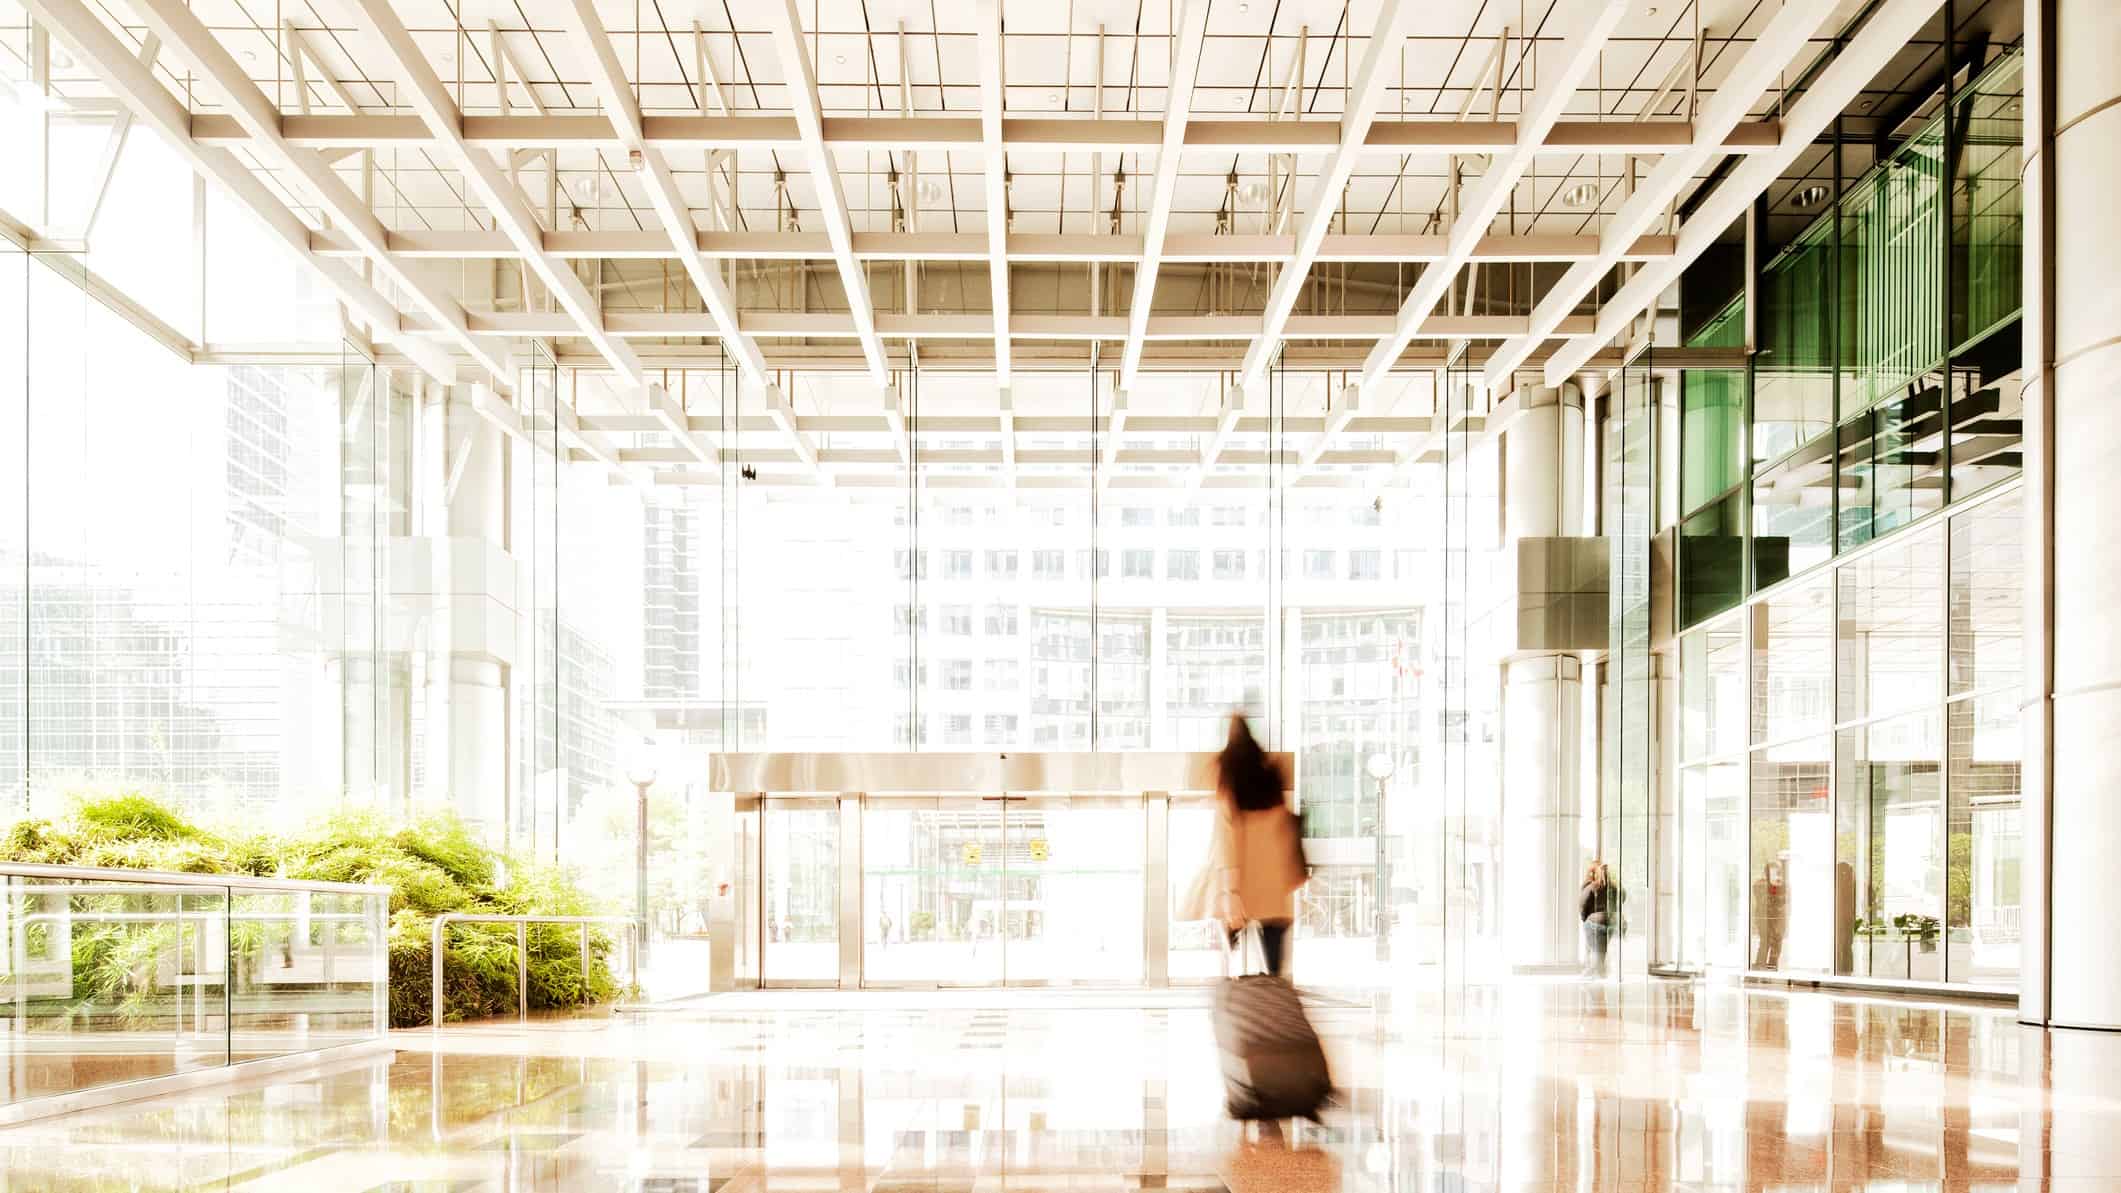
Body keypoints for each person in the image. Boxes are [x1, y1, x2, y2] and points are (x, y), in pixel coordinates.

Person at [1211, 715, 1307, 978]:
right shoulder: (1272, 778)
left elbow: (1227, 842)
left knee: (1228, 960)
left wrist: (1230, 891)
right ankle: (1274, 1004)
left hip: (1244, 886)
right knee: (1275, 967)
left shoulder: (1229, 783)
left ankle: (1234, 1005)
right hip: (1275, 888)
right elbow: (1286, 832)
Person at [1579, 860, 1613, 977]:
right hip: (1609, 921)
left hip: (1594, 922)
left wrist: (1584, 918)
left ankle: (1592, 972)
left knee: (1592, 948)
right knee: (1601, 950)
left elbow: (1583, 905)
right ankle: (1601, 972)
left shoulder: (1590, 886)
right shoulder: (1609, 886)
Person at [1752, 861, 1786, 969]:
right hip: (1764, 919)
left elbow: (1782, 900)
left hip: (1777, 919)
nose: (1777, 876)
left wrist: (1778, 886)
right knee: (1765, 942)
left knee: (1777, 943)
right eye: (1774, 873)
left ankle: (1772, 966)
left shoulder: (1781, 886)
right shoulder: (1760, 885)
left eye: (1778, 873)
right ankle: (1759, 966)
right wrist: (1772, 885)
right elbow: (1765, 900)